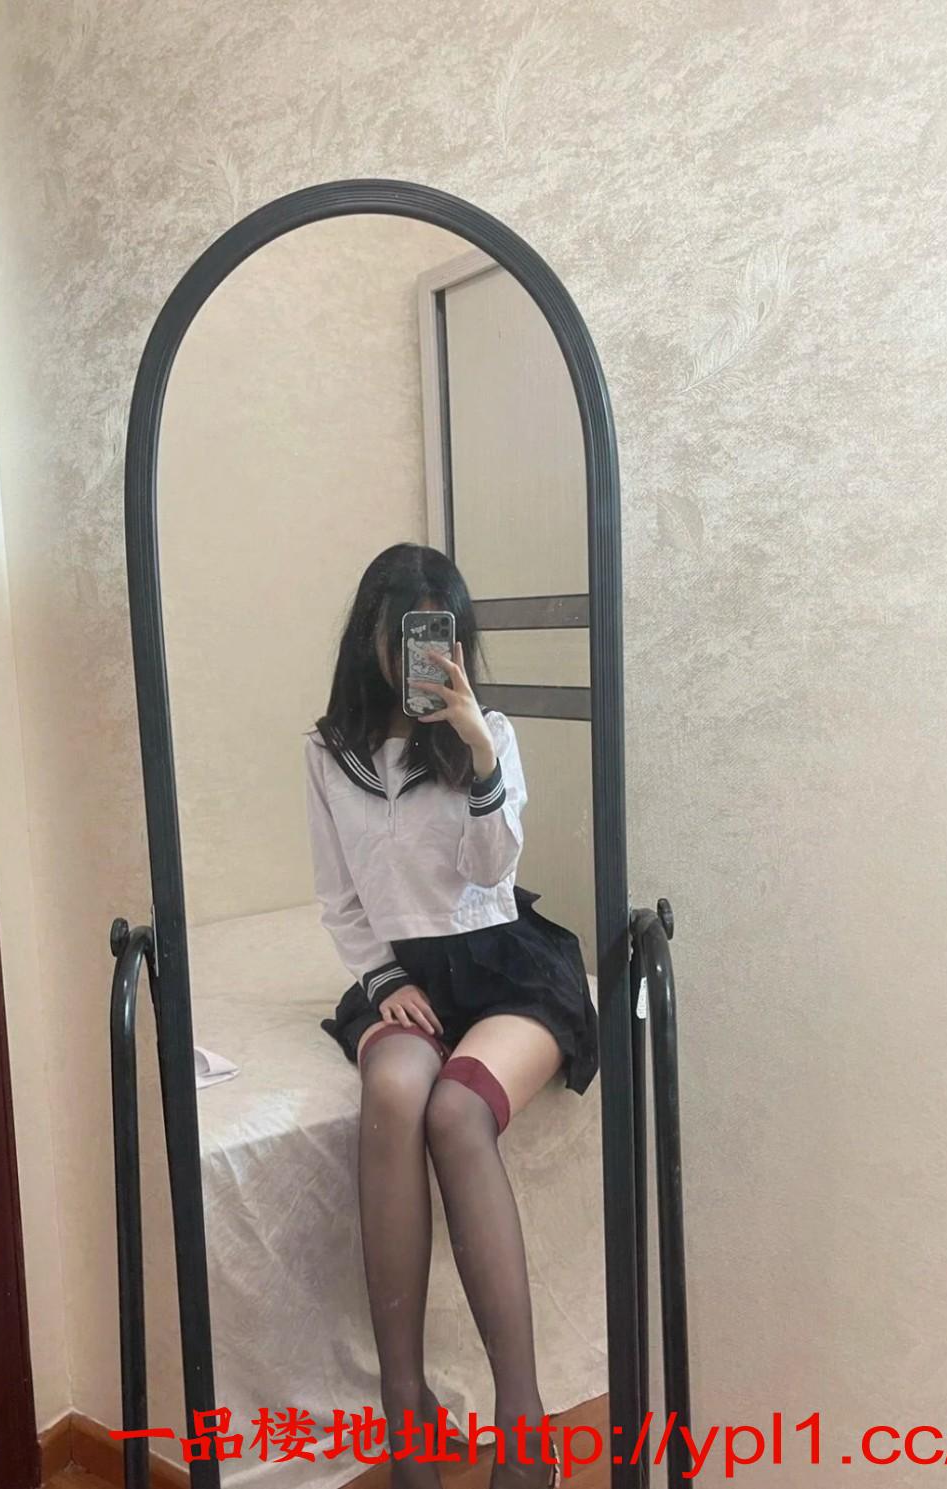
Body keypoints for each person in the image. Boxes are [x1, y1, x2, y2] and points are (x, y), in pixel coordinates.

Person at [306, 543, 598, 1489]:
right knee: (396, 1090)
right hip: (408, 978)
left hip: (504, 964)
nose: (425, 655)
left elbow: (492, 872)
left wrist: (476, 749)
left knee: (456, 1109)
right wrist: (382, 975)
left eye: (441, 635)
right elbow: (340, 899)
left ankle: (522, 1423)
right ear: (372, 638)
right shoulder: (330, 754)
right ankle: (407, 1410)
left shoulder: (491, 734)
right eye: (406, 635)